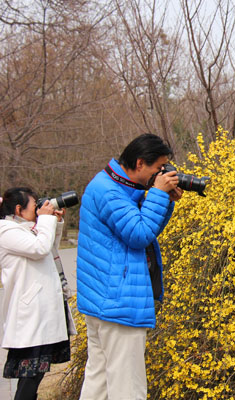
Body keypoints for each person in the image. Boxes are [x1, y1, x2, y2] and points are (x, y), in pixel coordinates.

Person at [77, 133, 183, 400]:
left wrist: (165, 201)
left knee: (99, 381)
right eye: (158, 168)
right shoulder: (109, 192)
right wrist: (157, 195)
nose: (162, 174)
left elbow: (146, 231)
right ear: (139, 163)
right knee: (128, 386)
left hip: (106, 302)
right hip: (119, 304)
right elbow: (138, 234)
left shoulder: (114, 187)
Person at [0, 187, 75, 400]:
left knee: (36, 373)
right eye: (35, 206)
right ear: (18, 209)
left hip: (42, 311)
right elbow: (38, 248)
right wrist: (45, 220)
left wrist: (54, 222)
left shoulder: (25, 228)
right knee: (29, 376)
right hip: (29, 313)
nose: (39, 208)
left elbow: (48, 248)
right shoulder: (5, 230)